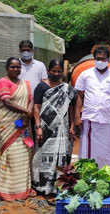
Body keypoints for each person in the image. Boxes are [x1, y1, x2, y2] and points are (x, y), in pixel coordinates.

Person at [31, 59, 77, 195]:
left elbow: (71, 108)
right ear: (49, 71)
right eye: (53, 71)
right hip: (45, 128)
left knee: (61, 157)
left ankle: (59, 185)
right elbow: (36, 107)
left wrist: (73, 125)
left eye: (59, 71)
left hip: (62, 128)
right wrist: (38, 126)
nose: (56, 73)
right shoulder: (41, 86)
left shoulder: (67, 89)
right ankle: (40, 185)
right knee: (41, 156)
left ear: (62, 73)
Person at [74, 46, 110, 167]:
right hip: (91, 119)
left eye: (103, 59)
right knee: (89, 151)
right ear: (94, 59)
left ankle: (106, 176)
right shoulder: (85, 75)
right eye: (98, 59)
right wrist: (77, 116)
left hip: (109, 120)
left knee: (108, 150)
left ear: (108, 59)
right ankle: (89, 177)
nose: (100, 61)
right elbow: (79, 96)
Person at [0, 57, 35, 200]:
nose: (15, 69)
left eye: (18, 67)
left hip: (23, 124)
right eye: (12, 67)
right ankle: (5, 190)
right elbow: (7, 101)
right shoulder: (2, 82)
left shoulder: (25, 84)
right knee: (10, 155)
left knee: (24, 154)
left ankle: (24, 189)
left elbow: (31, 99)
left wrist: (27, 116)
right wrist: (26, 112)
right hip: (8, 124)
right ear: (7, 68)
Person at [18, 40, 47, 138]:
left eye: (28, 50)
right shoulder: (16, 65)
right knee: (20, 129)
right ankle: (22, 151)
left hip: (36, 104)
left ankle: (35, 150)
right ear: (20, 51)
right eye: (23, 50)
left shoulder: (40, 65)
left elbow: (44, 83)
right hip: (19, 104)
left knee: (37, 129)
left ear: (32, 50)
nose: (26, 52)